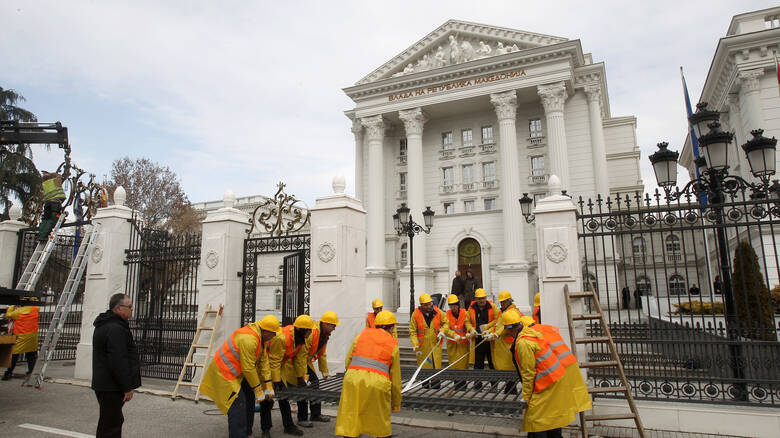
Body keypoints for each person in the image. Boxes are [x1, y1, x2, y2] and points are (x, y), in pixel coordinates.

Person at [503, 314, 591, 437]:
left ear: (509, 329)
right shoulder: (540, 332)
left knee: (536, 420)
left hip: (547, 382)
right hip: (558, 376)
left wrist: (527, 396)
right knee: (552, 418)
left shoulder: (524, 342)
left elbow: (528, 373)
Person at [199, 314, 279, 438]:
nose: (274, 336)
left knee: (249, 398)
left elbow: (263, 362)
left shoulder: (260, 338)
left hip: (237, 373)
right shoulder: (249, 339)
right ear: (265, 331)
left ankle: (247, 432)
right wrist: (258, 390)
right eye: (273, 333)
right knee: (238, 404)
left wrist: (268, 385)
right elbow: (248, 368)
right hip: (225, 373)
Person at [335, 310, 401, 438]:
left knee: (351, 416)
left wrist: (354, 374)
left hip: (352, 379)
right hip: (377, 383)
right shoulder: (393, 344)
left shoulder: (361, 335)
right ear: (391, 327)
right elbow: (396, 378)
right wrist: (396, 402)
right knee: (379, 419)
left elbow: (348, 360)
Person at [91, 294, 141, 438]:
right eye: (129, 306)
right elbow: (118, 360)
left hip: (106, 383)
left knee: (110, 421)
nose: (132, 309)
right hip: (111, 386)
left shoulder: (107, 324)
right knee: (111, 425)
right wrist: (127, 387)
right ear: (118, 308)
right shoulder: (115, 328)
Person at [264, 314, 314, 437]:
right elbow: (273, 361)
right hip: (265, 366)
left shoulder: (301, 339)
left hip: (279, 366)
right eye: (309, 330)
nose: (311, 333)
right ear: (301, 330)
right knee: (266, 399)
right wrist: (276, 381)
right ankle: (265, 430)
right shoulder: (282, 338)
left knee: (284, 396)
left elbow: (300, 360)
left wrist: (300, 377)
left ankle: (288, 426)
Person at [297, 311, 339, 428]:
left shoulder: (324, 335)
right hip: (298, 362)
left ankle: (315, 414)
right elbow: (301, 355)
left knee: (315, 385)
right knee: (303, 388)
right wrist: (303, 375)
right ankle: (302, 418)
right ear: (325, 324)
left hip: (305, 362)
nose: (334, 328)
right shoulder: (313, 333)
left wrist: (325, 372)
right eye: (333, 325)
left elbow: (322, 354)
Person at [409, 293, 448, 374]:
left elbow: (446, 323)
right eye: (426, 305)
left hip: (435, 346)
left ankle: (436, 382)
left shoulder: (438, 312)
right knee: (424, 370)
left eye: (430, 304)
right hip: (423, 348)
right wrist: (415, 344)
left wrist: (442, 331)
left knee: (436, 369)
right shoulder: (415, 315)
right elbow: (412, 331)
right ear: (421, 305)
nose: (429, 306)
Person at [468, 288, 499, 382]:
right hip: (478, 339)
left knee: (492, 363)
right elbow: (467, 321)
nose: (482, 300)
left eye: (483, 298)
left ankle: (494, 384)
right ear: (475, 299)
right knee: (478, 364)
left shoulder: (493, 307)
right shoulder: (471, 308)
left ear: (486, 298)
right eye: (479, 298)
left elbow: (497, 320)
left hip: (490, 339)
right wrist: (471, 330)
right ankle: (477, 384)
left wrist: (488, 327)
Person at [2, 304, 40, 380]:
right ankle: (31, 372)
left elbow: (8, 314)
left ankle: (8, 372)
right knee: (31, 354)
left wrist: (12, 306)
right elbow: (37, 306)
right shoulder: (35, 309)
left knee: (14, 355)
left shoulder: (17, 312)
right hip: (32, 336)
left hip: (20, 336)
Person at [442, 295, 473, 375]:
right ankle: (455, 381)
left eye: (455, 305)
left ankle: (463, 381)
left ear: (458, 305)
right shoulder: (447, 314)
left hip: (463, 343)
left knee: (463, 364)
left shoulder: (465, 313)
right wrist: (454, 335)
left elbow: (468, 324)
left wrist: (469, 333)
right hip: (452, 343)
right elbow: (446, 328)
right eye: (451, 306)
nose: (453, 308)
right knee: (453, 364)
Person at [494, 291, 521, 372]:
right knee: (503, 367)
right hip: (503, 344)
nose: (502, 304)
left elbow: (506, 326)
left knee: (509, 367)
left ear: (509, 301)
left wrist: (496, 334)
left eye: (504, 302)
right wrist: (489, 331)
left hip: (508, 344)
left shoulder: (512, 312)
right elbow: (498, 324)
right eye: (501, 302)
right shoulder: (503, 311)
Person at [37, 170, 67, 241]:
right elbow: (59, 177)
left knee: (45, 219)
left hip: (47, 203)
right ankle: (44, 235)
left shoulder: (45, 184)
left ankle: (40, 234)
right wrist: (51, 174)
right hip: (55, 203)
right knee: (53, 219)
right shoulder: (55, 181)